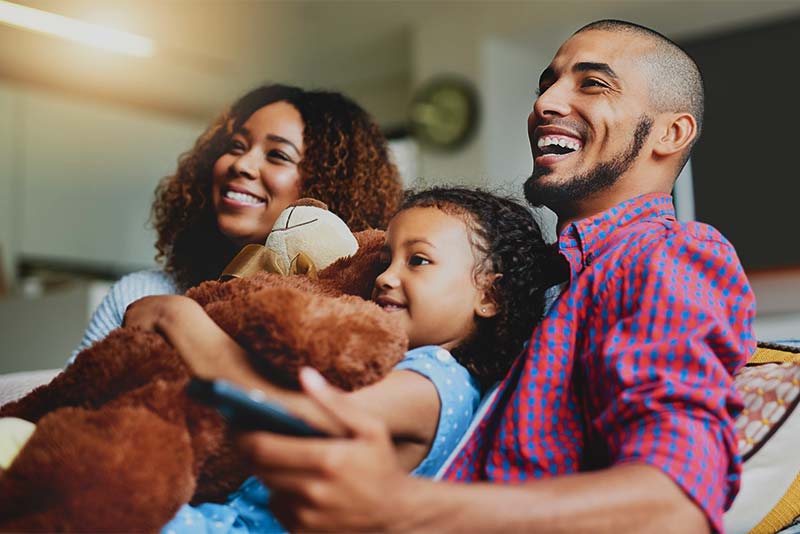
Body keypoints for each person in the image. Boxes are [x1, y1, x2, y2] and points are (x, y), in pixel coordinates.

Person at [234, 20, 757, 533]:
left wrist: (398, 506)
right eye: (546, 83)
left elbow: (671, 508)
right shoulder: (536, 282)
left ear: (671, 133)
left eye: (592, 84)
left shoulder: (666, 255)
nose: (546, 103)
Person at [122, 186, 564, 532]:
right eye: (388, 259)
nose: (387, 276)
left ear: (489, 294)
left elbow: (284, 410)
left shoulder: (436, 383)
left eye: (419, 261)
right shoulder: (397, 365)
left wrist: (177, 316)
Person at [71, 84, 403, 359]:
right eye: (236, 146)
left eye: (277, 155)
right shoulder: (139, 293)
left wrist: (178, 322)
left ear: (329, 185)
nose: (242, 164)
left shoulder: (359, 317)